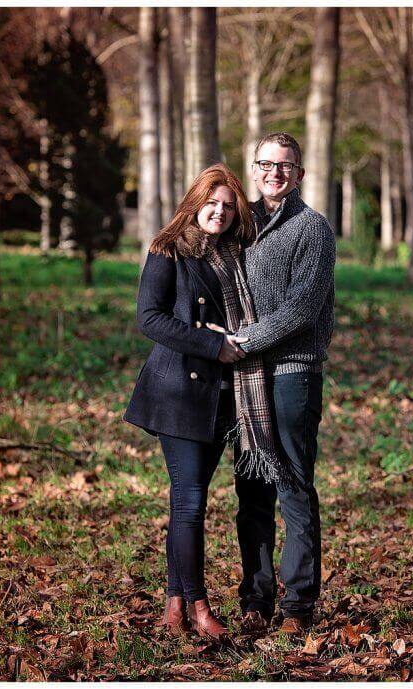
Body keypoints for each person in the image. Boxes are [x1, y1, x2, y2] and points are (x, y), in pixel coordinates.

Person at [124, 163, 293, 641]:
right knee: (191, 503)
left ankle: (175, 605)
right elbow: (149, 318)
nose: (219, 212)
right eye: (211, 203)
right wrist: (211, 343)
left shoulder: (236, 255)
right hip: (179, 394)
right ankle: (199, 606)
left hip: (224, 398)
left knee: (185, 503)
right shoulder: (168, 249)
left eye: (228, 206)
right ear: (194, 204)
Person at [231, 133, 336, 636]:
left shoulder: (312, 229)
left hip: (293, 370)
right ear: (254, 169)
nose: (275, 172)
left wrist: (245, 340)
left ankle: (298, 605)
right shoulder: (238, 223)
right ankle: (255, 599)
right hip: (245, 377)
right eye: (266, 164)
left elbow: (302, 308)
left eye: (285, 165)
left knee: (292, 483)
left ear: (299, 174)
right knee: (251, 487)